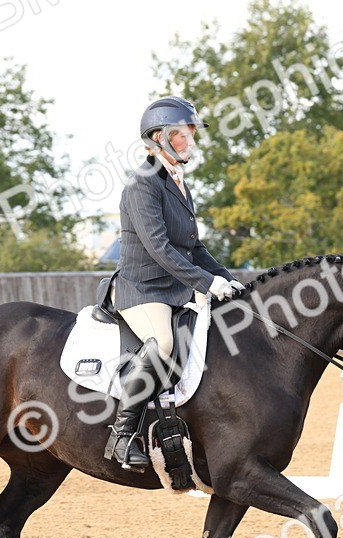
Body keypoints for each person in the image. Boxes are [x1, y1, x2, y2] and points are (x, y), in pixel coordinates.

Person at [104, 95, 245, 471]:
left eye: (191, 133)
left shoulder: (179, 184)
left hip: (174, 289)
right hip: (142, 291)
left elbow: (194, 247)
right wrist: (206, 284)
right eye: (184, 134)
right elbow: (161, 250)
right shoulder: (141, 186)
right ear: (160, 137)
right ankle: (121, 435)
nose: (192, 141)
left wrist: (229, 281)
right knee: (164, 342)